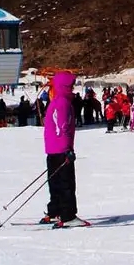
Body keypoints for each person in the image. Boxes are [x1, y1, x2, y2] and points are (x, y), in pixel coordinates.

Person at [42, 71, 88, 228]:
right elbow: (63, 127)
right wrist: (68, 149)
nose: (73, 88)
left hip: (52, 149)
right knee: (66, 183)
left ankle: (55, 211)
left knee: (55, 182)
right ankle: (68, 215)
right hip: (62, 149)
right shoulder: (63, 102)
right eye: (71, 85)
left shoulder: (55, 101)